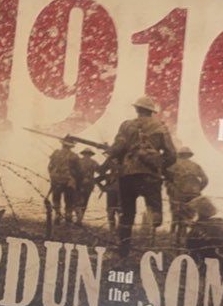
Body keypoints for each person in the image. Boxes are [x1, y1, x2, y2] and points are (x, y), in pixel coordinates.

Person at [109, 96, 176, 250]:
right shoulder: (161, 127)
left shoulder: (126, 125)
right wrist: (159, 165)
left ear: (137, 109)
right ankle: (151, 248)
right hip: (150, 176)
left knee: (126, 215)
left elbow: (117, 149)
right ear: (152, 111)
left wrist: (114, 154)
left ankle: (123, 249)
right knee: (154, 212)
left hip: (127, 175)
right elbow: (172, 155)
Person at [166, 147, 209, 246]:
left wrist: (172, 190)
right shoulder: (196, 166)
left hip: (179, 194)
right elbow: (205, 180)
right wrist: (198, 189)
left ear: (179, 155)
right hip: (193, 194)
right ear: (189, 155)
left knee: (176, 215)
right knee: (189, 216)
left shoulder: (174, 166)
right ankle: (186, 238)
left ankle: (174, 238)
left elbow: (168, 180)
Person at [48, 137, 78, 225]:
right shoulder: (74, 156)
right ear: (71, 146)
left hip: (56, 180)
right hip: (69, 181)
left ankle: (57, 216)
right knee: (68, 200)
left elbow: (50, 167)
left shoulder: (55, 153)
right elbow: (79, 170)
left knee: (56, 198)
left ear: (62, 144)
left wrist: (53, 176)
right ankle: (68, 217)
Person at [72, 149, 99, 225]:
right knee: (84, 202)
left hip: (79, 184)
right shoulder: (94, 162)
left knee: (76, 201)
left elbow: (72, 171)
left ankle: (79, 219)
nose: (87, 155)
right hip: (88, 185)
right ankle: (80, 219)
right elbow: (100, 171)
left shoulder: (78, 162)